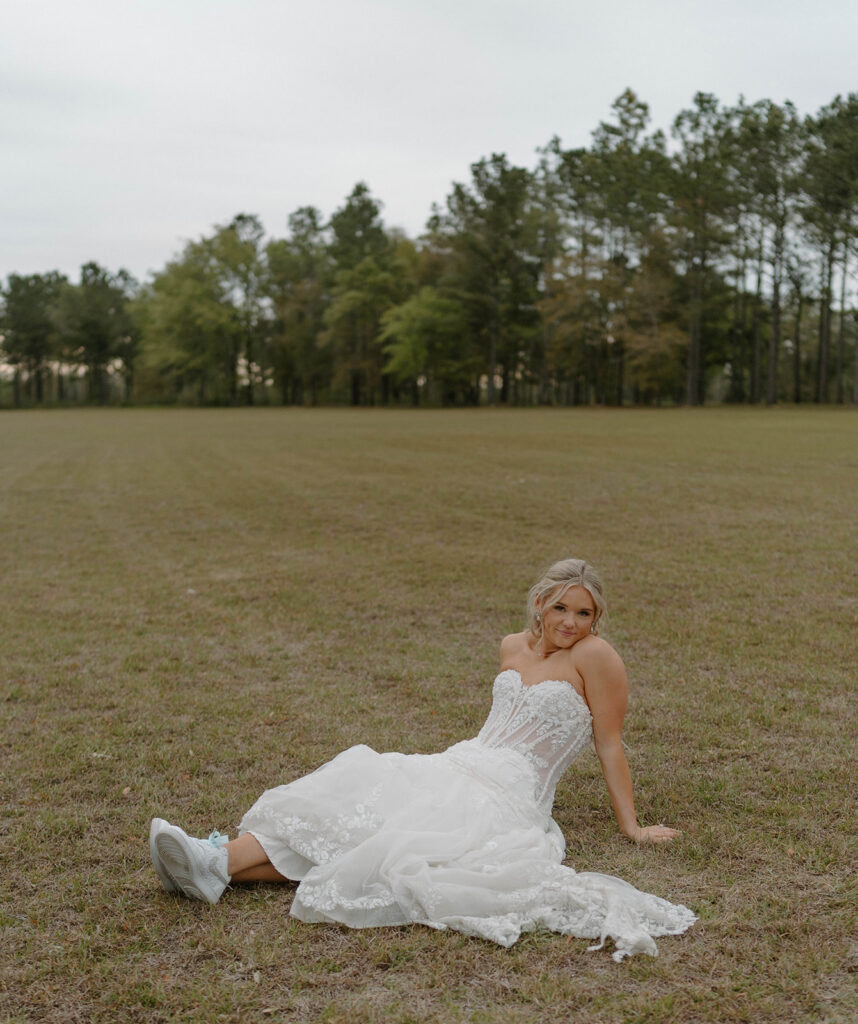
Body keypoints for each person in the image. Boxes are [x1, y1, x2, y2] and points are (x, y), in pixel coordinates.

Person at [149, 558, 696, 961]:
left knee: (396, 843)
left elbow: (609, 742)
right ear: (539, 604)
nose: (570, 622)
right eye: (561, 607)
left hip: (509, 794)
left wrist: (633, 826)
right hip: (457, 761)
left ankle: (214, 861)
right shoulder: (511, 645)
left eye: (584, 612)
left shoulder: (596, 657)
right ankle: (213, 863)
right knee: (359, 792)